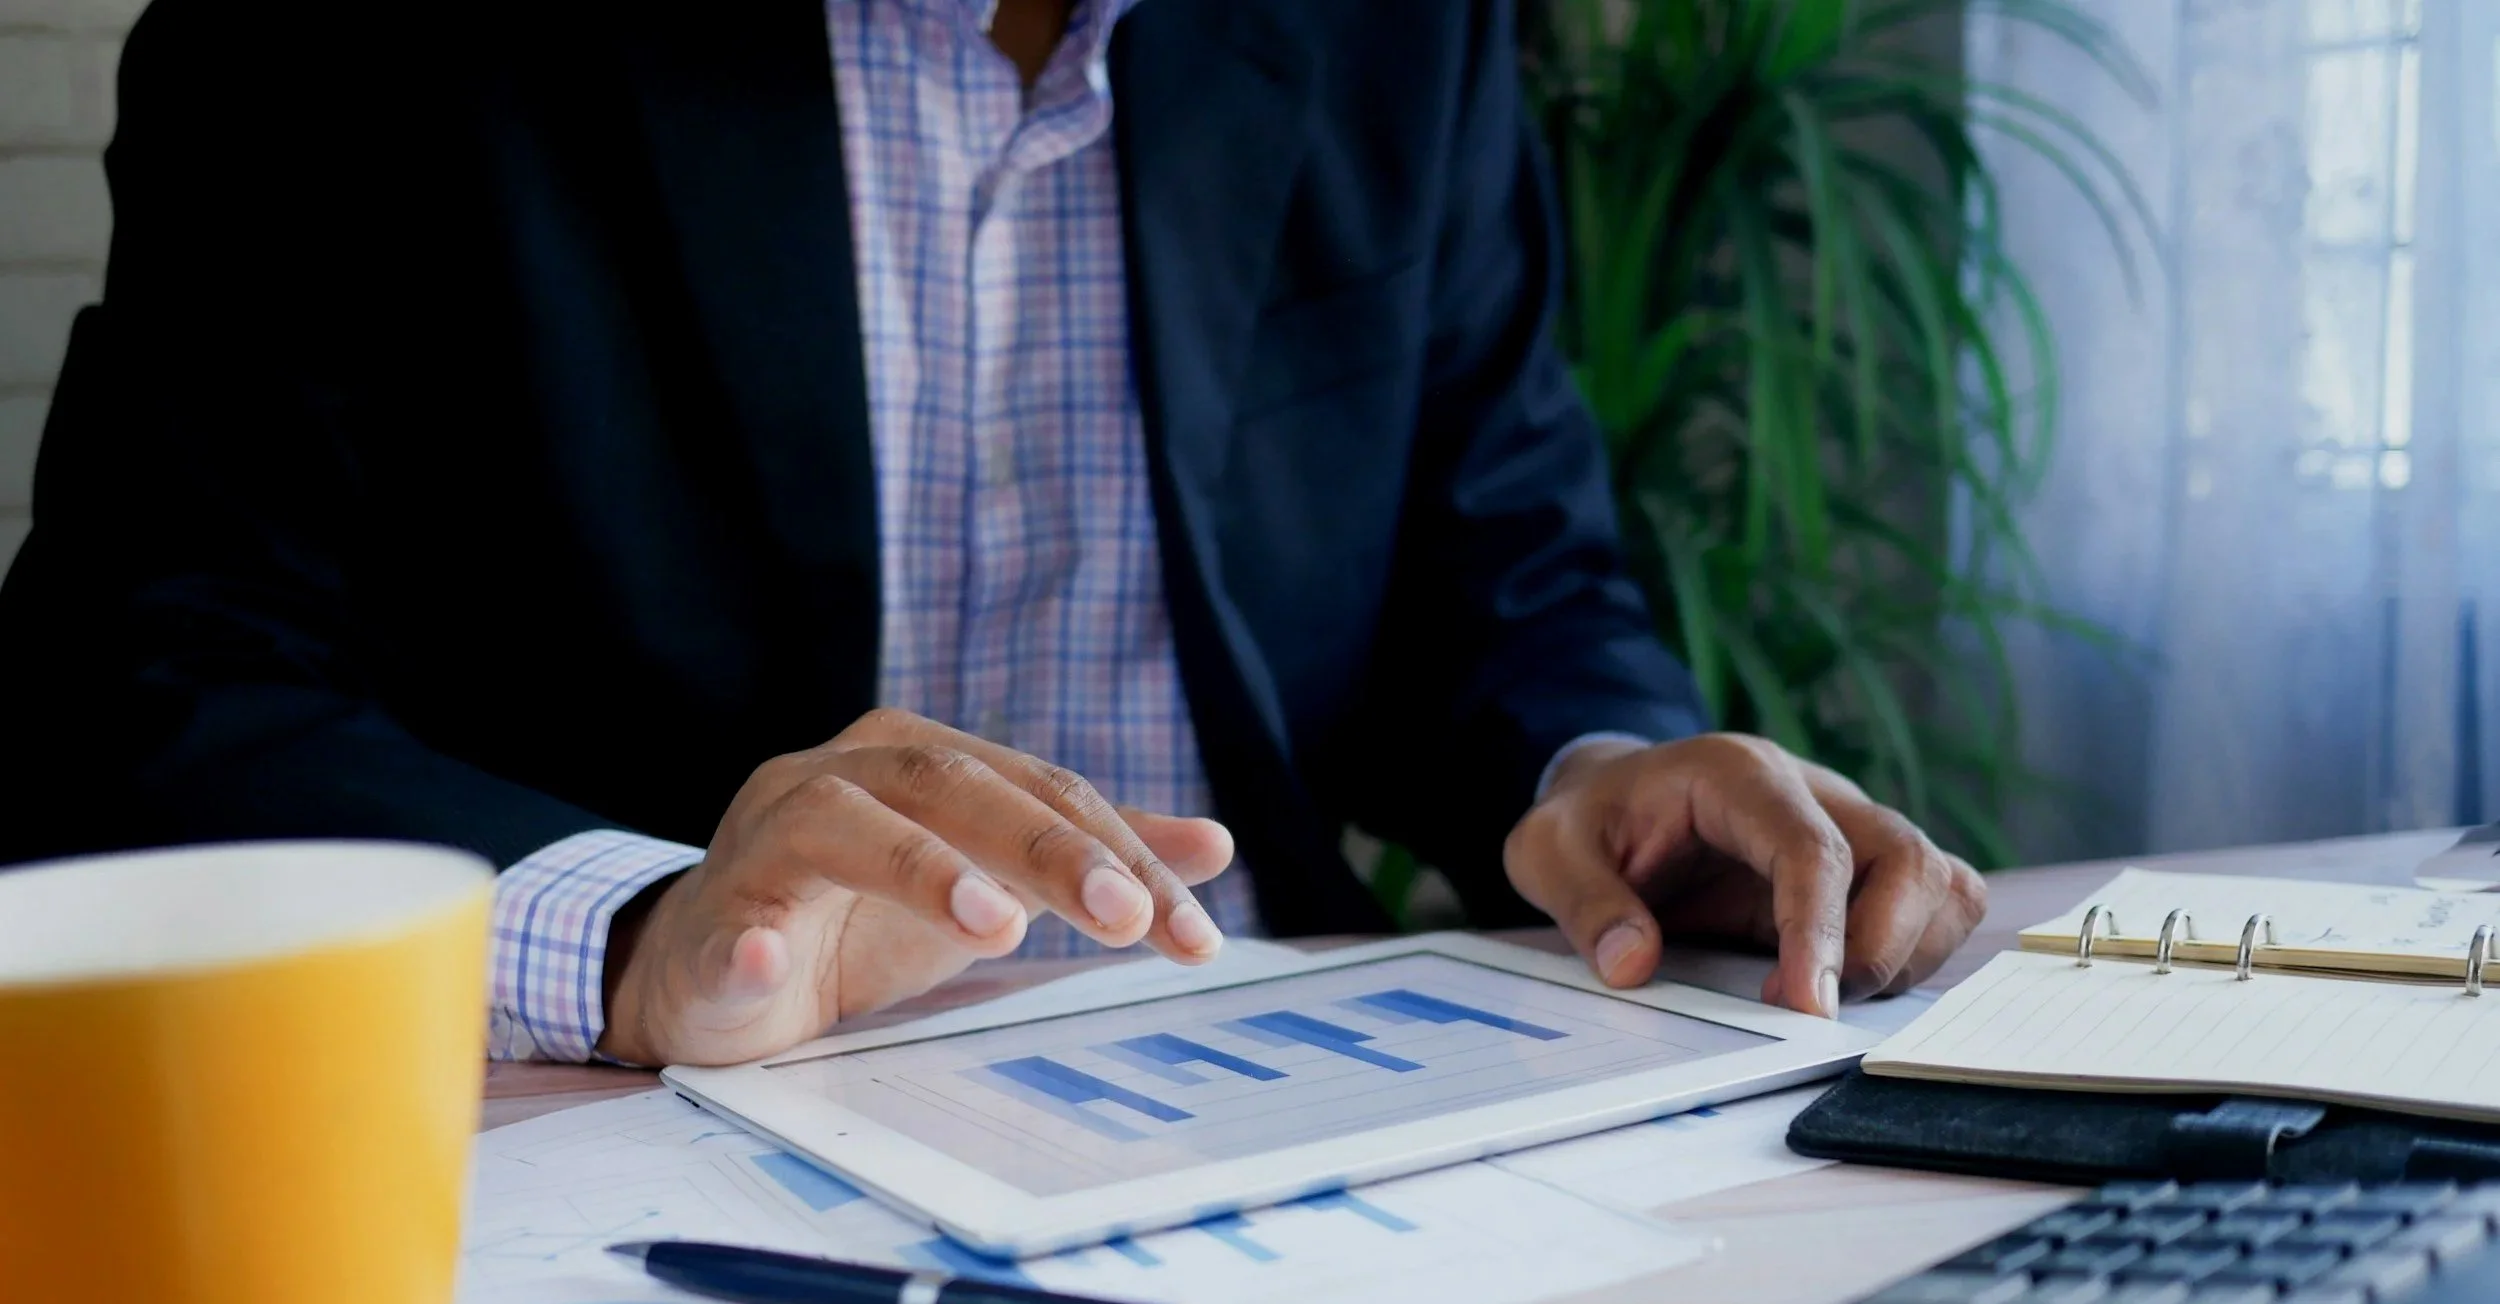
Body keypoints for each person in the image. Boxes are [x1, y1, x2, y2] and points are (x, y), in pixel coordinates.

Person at [0, 0, 1985, 1068]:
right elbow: (133, 691)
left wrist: (1605, 769)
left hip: (1284, 1090)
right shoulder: (340, 38)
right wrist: (636, 932)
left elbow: (1504, 570)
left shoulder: (1398, 27)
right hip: (637, 1128)